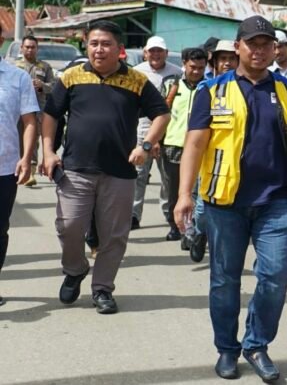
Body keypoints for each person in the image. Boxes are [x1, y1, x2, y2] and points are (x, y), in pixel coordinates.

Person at [174, 15, 287, 382]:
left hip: (277, 200)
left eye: (266, 44)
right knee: (225, 279)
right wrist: (184, 195)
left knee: (275, 275)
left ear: (276, 49)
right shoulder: (212, 90)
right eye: (252, 43)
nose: (259, 49)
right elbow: (194, 144)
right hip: (225, 202)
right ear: (236, 47)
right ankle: (226, 348)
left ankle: (256, 344)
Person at [41, 20, 170, 315]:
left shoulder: (136, 81)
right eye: (94, 44)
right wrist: (48, 152)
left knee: (114, 235)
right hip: (75, 168)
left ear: (119, 49)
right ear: (87, 46)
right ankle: (75, 270)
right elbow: (51, 115)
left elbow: (162, 114)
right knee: (69, 225)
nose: (99, 50)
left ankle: (102, 289)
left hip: (119, 173)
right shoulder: (71, 76)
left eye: (106, 44)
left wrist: (146, 146)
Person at [185, 40, 240, 262]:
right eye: (223, 59)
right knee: (202, 206)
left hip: (234, 160)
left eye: (231, 58)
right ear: (215, 62)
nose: (227, 63)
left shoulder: (244, 89)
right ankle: (200, 232)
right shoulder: (206, 88)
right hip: (207, 158)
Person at [0, 28, 39, 306]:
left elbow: (29, 122)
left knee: (0, 229)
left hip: (4, 168)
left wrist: (26, 158)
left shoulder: (18, 78)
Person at [131, 35, 182, 236]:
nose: (155, 54)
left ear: (166, 53)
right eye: (152, 51)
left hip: (169, 133)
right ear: (145, 53)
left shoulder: (178, 73)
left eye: (159, 51)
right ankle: (133, 216)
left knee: (168, 179)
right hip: (141, 131)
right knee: (138, 176)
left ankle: (171, 219)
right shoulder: (136, 73)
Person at [161, 47, 207, 254]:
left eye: (201, 68)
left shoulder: (210, 87)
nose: (196, 72)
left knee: (197, 192)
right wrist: (154, 141)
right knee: (174, 190)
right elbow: (160, 113)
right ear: (184, 63)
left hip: (200, 148)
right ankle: (176, 226)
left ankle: (193, 232)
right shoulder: (171, 84)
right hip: (173, 145)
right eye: (192, 67)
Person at [15, 35, 54, 187]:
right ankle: (18, 167)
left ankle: (30, 172)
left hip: (37, 109)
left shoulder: (45, 67)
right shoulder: (13, 66)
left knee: (33, 140)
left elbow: (54, 87)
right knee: (17, 138)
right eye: (27, 47)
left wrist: (42, 85)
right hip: (17, 110)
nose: (30, 50)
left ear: (37, 49)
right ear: (22, 48)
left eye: (33, 47)